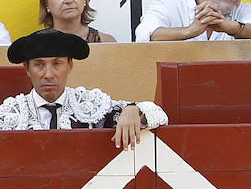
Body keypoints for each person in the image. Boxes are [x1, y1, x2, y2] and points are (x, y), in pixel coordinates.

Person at [0, 29, 167, 148]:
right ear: (27, 69)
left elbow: (160, 115)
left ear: (69, 65)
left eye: (57, 64)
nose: (49, 74)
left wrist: (133, 109)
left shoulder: (89, 105)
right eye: (39, 65)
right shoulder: (10, 114)